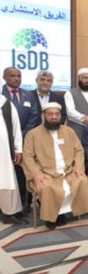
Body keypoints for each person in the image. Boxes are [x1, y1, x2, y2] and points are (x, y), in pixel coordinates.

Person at [22, 102, 88, 229]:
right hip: (45, 173)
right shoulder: (32, 134)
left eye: (56, 114)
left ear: (60, 116)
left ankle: (67, 212)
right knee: (47, 187)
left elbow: (79, 151)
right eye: (50, 114)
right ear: (43, 115)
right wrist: (36, 174)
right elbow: (27, 157)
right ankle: (51, 217)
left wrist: (78, 167)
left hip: (68, 172)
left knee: (81, 180)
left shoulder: (69, 131)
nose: (54, 117)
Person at [3, 66, 41, 214]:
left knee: (23, 173)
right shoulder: (1, 94)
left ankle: (24, 203)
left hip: (25, 139)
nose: (16, 78)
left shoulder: (28, 94)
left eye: (18, 76)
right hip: (4, 141)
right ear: (4, 78)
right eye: (12, 76)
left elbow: (34, 115)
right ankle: (6, 206)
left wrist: (22, 134)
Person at [0, 92, 26, 225]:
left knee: (7, 180)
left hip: (4, 151)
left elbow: (16, 127)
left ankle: (9, 213)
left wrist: (18, 148)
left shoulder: (5, 103)